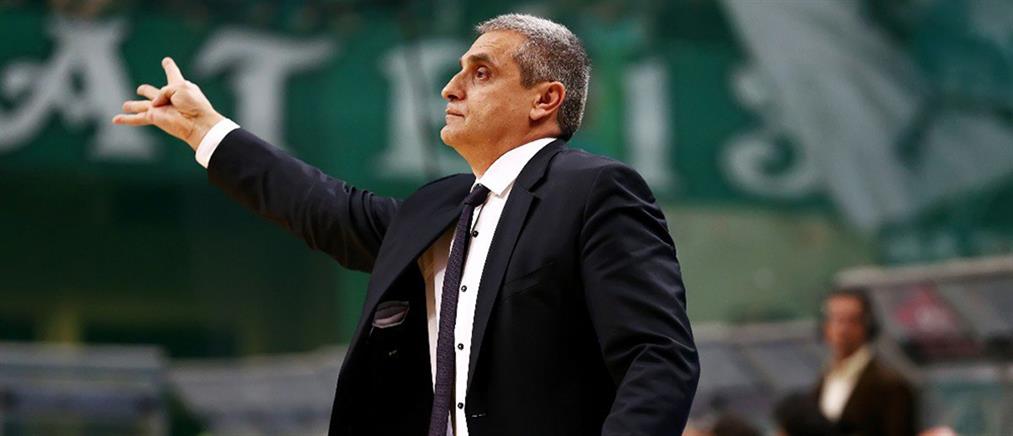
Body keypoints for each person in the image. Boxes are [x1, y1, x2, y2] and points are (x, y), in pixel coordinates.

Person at [113, 14, 698, 436]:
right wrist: (205, 130)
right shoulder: (439, 209)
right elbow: (322, 207)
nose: (450, 87)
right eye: (458, 71)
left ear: (544, 100)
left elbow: (658, 356)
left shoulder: (595, 189)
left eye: (481, 73)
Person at [814, 287, 917, 436]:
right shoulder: (825, 379)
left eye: (851, 321)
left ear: (867, 326)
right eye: (836, 319)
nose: (842, 330)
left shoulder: (890, 385)